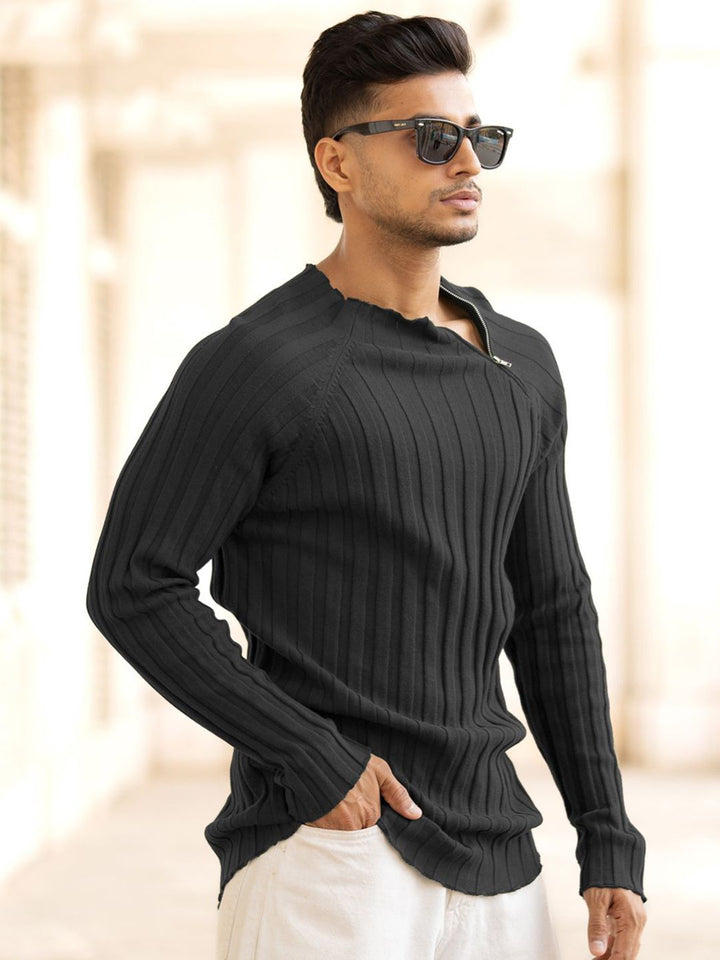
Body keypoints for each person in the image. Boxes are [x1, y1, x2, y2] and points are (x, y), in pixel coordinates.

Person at [86, 10, 648, 960]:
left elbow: (552, 607)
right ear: (338, 162)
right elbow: (134, 584)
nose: (466, 162)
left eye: (478, 138)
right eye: (431, 138)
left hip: (504, 864)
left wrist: (607, 833)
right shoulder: (259, 362)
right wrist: (310, 755)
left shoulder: (521, 364)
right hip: (331, 860)